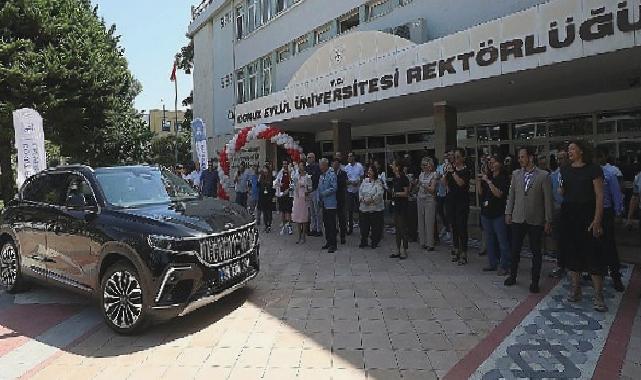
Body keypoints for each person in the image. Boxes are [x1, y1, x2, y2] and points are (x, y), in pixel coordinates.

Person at [560, 141, 607, 312]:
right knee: (573, 254)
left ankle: (598, 295)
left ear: (581, 150)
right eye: (568, 149)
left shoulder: (593, 169)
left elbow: (600, 196)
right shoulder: (565, 169)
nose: (569, 151)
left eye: (572, 148)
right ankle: (575, 288)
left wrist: (597, 220)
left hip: (588, 215)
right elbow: (565, 191)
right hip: (570, 216)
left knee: (593, 255)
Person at [504, 147, 553, 293]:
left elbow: (547, 200)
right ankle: (513, 276)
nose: (520, 160)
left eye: (523, 157)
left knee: (536, 251)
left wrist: (548, 220)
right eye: (519, 157)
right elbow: (511, 195)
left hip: (535, 219)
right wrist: (508, 212)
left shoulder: (543, 176)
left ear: (531, 158)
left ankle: (535, 281)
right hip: (518, 218)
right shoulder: (516, 174)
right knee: (515, 249)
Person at [596, 147, 625, 292]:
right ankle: (597, 272)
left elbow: (616, 195)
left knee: (609, 245)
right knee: (594, 245)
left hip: (606, 212)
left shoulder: (609, 174)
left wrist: (618, 212)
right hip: (592, 212)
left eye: (599, 157)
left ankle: (616, 276)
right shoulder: (589, 174)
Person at [478, 155, 511, 275]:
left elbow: (499, 194)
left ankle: (505, 265)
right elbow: (481, 193)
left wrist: (488, 181)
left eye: (494, 162)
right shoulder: (489, 176)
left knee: (502, 240)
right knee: (489, 239)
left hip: (498, 213)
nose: (491, 165)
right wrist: (479, 180)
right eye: (490, 163)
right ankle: (492, 263)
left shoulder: (502, 178)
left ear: (500, 164)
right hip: (486, 212)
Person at [443, 148, 471, 265]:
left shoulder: (465, 170)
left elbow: (461, 183)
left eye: (458, 157)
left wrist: (453, 172)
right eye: (455, 157)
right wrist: (446, 173)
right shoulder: (451, 169)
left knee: (462, 227)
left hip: (462, 202)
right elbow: (445, 183)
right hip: (452, 201)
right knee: (453, 226)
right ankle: (456, 248)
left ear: (463, 158)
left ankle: (464, 251)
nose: (456, 159)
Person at [549, 149, 569, 278]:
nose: (559, 161)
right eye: (558, 159)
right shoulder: (554, 175)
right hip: (558, 209)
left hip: (573, 208)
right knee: (559, 239)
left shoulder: (574, 173)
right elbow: (550, 194)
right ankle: (561, 265)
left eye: (562, 158)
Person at [359, 166, 385, 249]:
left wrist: (371, 200)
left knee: (375, 226)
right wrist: (362, 199)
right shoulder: (364, 181)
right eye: (368, 171)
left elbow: (379, 194)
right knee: (364, 226)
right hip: (364, 207)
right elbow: (360, 191)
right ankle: (364, 240)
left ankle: (374, 242)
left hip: (374, 208)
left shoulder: (378, 182)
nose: (369, 172)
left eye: (371, 171)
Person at [390, 161, 410, 259]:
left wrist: (396, 194)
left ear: (397, 167)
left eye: (393, 165)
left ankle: (404, 249)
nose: (391, 167)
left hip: (403, 206)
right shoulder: (394, 179)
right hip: (396, 205)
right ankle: (397, 248)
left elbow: (406, 193)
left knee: (403, 228)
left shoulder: (404, 178)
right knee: (397, 228)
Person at [417, 157, 438, 251]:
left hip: (429, 200)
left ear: (431, 166)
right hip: (420, 198)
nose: (425, 167)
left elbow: (432, 190)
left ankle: (430, 243)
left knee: (429, 222)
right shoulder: (421, 175)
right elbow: (418, 187)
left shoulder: (434, 175)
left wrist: (423, 185)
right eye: (423, 165)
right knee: (421, 221)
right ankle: (422, 242)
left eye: (426, 165)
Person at [318, 158, 338, 253]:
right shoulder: (322, 176)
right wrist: (319, 198)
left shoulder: (332, 174)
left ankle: (333, 244)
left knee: (331, 224)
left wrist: (324, 193)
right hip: (324, 203)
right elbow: (319, 188)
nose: (320, 167)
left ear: (325, 165)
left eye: (321, 165)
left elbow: (334, 188)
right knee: (326, 224)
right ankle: (328, 242)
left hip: (330, 204)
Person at [292, 162, 312, 244]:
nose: (300, 168)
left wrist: (307, 190)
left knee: (303, 218)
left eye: (301, 166)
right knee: (297, 217)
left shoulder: (308, 177)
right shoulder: (296, 176)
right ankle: (299, 235)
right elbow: (293, 185)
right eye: (299, 166)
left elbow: (311, 188)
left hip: (304, 199)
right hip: (297, 198)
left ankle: (304, 235)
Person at [345, 152, 364, 234]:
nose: (349, 157)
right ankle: (350, 228)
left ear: (354, 157)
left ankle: (362, 226)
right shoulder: (346, 168)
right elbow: (345, 180)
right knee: (350, 209)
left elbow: (362, 177)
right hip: (350, 190)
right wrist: (350, 182)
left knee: (360, 208)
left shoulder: (359, 166)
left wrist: (358, 181)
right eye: (348, 156)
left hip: (358, 190)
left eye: (351, 156)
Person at [306, 153, 323, 237]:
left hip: (316, 190)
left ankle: (319, 229)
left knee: (317, 211)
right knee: (312, 211)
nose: (308, 159)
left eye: (309, 158)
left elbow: (318, 178)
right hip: (309, 191)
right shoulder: (307, 167)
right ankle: (313, 228)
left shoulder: (317, 167)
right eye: (307, 158)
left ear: (313, 158)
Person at [275, 159, 294, 235]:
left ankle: (289, 227)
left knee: (288, 211)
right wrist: (278, 185)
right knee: (282, 211)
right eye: (283, 164)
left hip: (289, 194)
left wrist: (288, 190)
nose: (285, 165)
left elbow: (293, 183)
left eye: (286, 164)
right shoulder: (280, 173)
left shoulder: (291, 172)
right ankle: (283, 226)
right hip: (282, 195)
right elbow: (276, 182)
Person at [333, 158, 348, 244]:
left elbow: (342, 183)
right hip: (332, 199)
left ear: (339, 165)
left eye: (336, 164)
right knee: (333, 219)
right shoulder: (330, 173)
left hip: (340, 199)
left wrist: (335, 182)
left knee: (342, 219)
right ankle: (334, 235)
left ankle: (343, 236)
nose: (334, 165)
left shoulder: (343, 173)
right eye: (333, 164)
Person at [258, 166, 275, 232]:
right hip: (262, 196)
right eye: (263, 169)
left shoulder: (271, 178)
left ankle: (269, 225)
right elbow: (258, 185)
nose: (264, 171)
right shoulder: (261, 177)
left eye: (266, 169)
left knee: (269, 212)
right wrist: (259, 179)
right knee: (264, 212)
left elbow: (273, 187)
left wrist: (273, 196)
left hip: (269, 196)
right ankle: (266, 225)